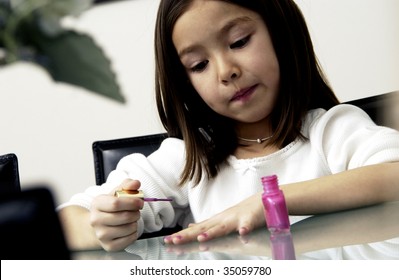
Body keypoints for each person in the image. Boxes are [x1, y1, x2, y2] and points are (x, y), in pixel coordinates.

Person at [58, 0, 399, 252]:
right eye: (199, 64)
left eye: (238, 42)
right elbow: (64, 221)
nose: (225, 71)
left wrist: (267, 203)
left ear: (280, 32)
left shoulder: (330, 131)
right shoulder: (189, 161)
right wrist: (102, 223)